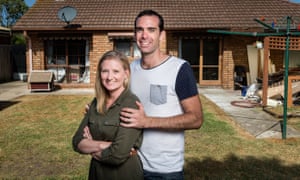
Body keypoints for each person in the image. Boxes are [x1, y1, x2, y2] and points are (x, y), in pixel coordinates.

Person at [118, 9, 204, 179]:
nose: (144, 35)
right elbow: (121, 107)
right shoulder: (130, 70)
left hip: (165, 170)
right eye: (139, 29)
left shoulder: (179, 69)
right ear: (135, 34)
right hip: (132, 163)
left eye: (151, 30)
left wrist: (147, 122)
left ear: (162, 35)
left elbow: (196, 118)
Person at [72, 50, 143, 180]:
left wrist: (90, 144)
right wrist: (104, 145)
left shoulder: (131, 104)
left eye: (116, 71)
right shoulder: (96, 103)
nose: (110, 77)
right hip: (97, 173)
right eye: (105, 71)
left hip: (123, 174)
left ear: (126, 74)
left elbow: (117, 155)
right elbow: (76, 141)